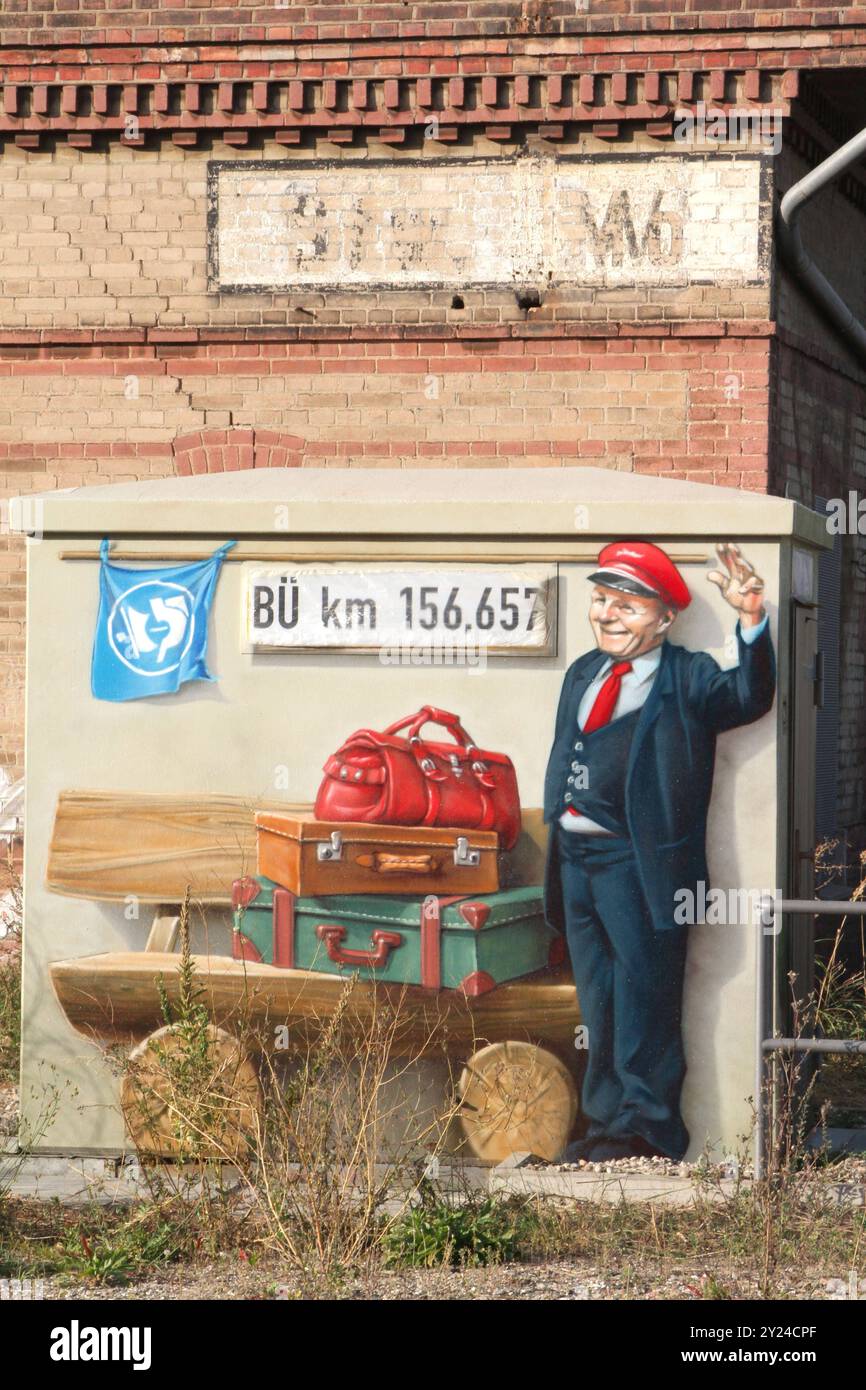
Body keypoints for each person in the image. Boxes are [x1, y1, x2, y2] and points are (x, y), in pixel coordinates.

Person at [543, 540, 776, 1162]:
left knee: (646, 997)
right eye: (601, 600)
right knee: (598, 999)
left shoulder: (688, 676)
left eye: (626, 605)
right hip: (577, 865)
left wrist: (750, 619)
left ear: (664, 619)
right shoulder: (582, 673)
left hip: (640, 867)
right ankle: (603, 1126)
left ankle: (649, 1130)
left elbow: (749, 697)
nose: (608, 615)